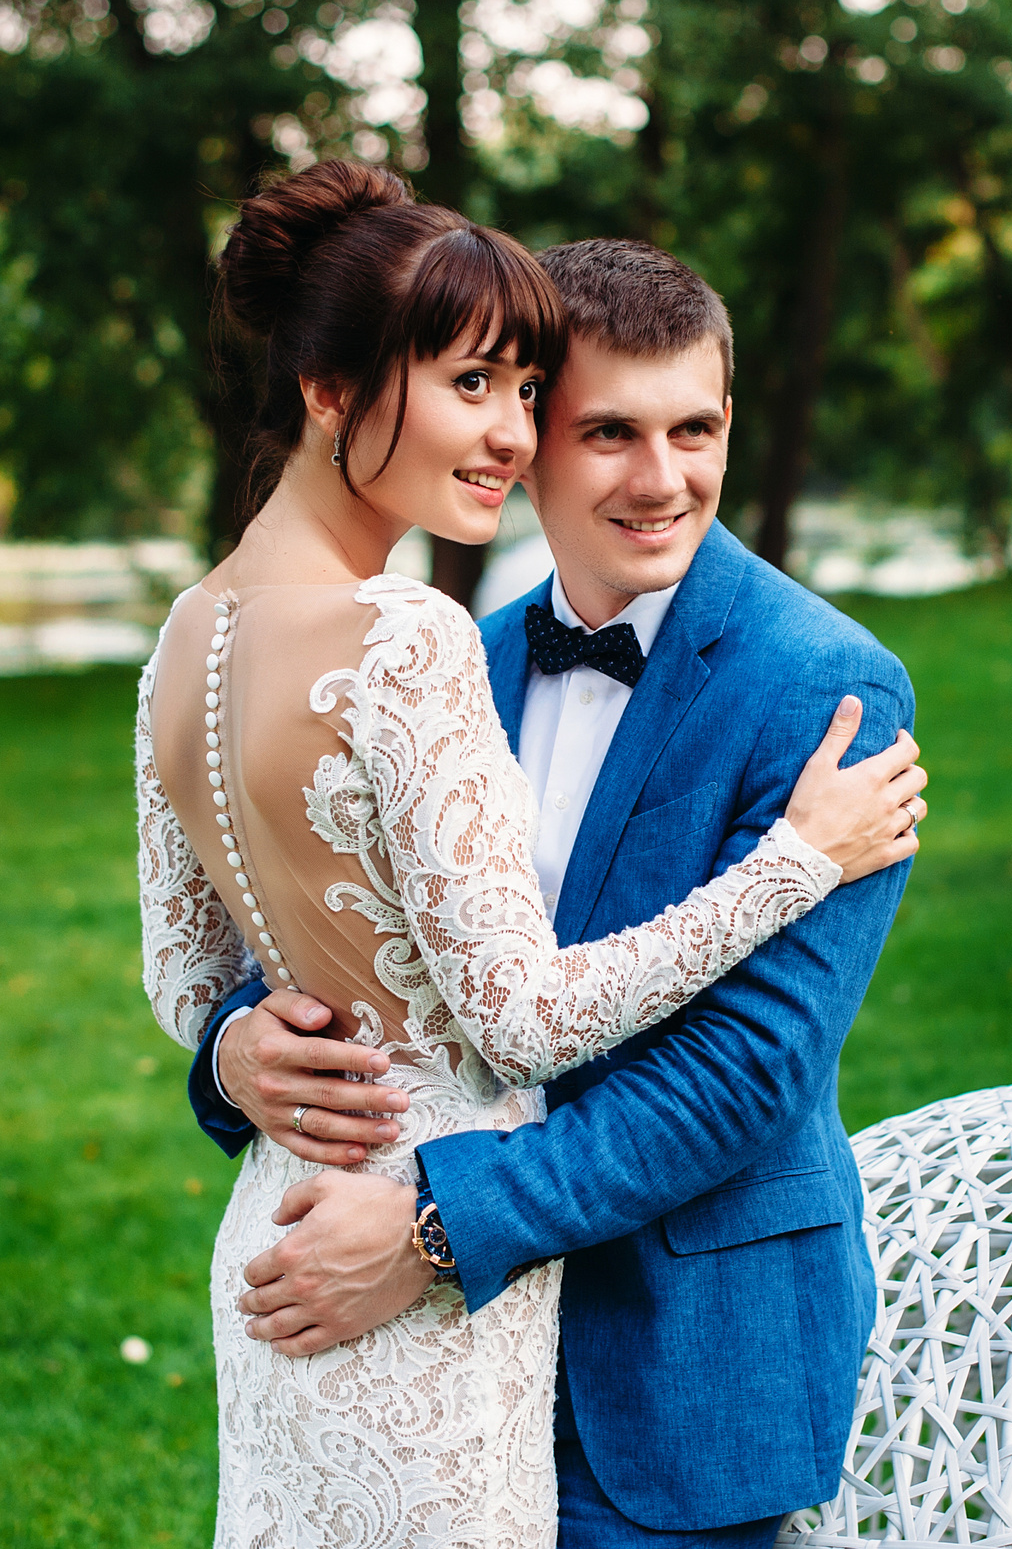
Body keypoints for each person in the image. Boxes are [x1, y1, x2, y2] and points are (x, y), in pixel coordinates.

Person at [135, 161, 926, 1549]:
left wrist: (436, 1232)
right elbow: (316, 947)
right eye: (608, 431)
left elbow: (743, 1076)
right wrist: (233, 1051)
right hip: (391, 1332)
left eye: (699, 429)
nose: (663, 479)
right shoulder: (436, 657)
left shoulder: (831, 689)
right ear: (532, 430)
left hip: (675, 1374)